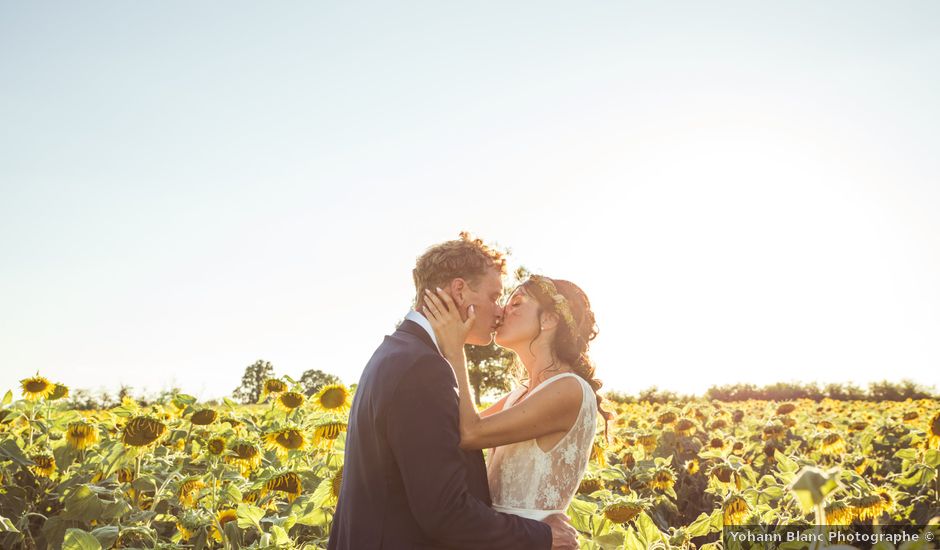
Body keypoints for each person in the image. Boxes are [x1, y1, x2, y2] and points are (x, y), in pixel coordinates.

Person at [328, 233, 578, 550]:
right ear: (460, 290)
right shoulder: (422, 368)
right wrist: (543, 536)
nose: (499, 311)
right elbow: (445, 511)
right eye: (494, 296)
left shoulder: (398, 352)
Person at [422, 273, 610, 522]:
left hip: (538, 539)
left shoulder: (569, 389)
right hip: (505, 537)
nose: (501, 312)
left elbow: (471, 433)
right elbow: (452, 432)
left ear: (550, 319)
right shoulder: (518, 396)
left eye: (517, 304)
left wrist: (455, 348)